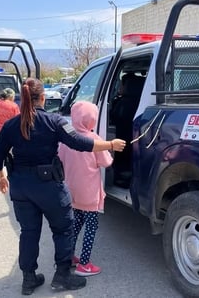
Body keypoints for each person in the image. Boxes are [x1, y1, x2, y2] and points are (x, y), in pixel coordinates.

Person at [0, 77, 126, 295]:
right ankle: (62, 276)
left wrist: (1, 176)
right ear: (43, 98)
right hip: (49, 186)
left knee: (29, 232)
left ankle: (29, 279)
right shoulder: (54, 121)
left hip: (21, 187)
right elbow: (80, 143)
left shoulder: (11, 125)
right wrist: (110, 144)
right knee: (63, 229)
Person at [58, 101, 113, 277]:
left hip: (71, 191)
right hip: (89, 193)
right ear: (92, 119)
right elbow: (106, 162)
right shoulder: (94, 140)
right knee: (91, 226)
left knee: (75, 224)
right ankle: (84, 264)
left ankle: (69, 257)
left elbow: (59, 160)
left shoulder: (66, 139)